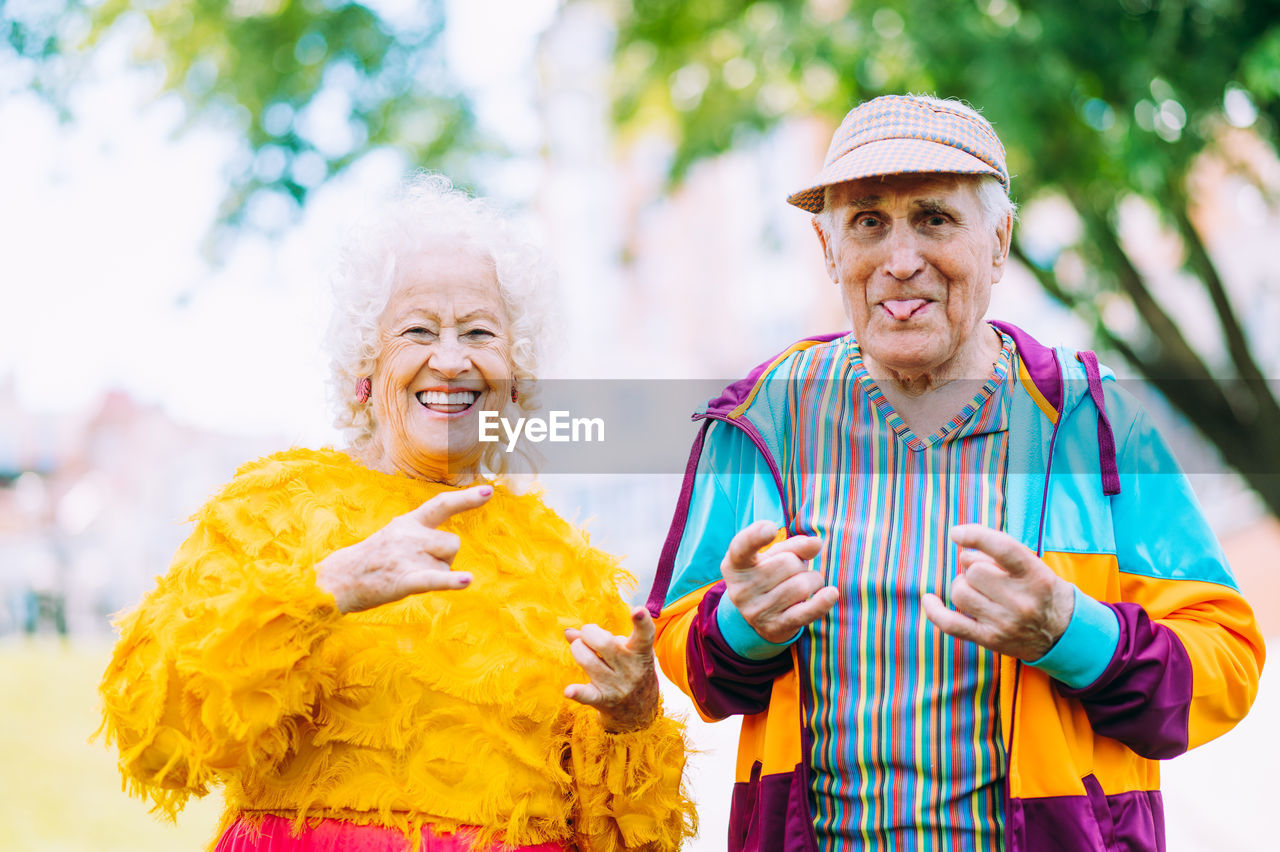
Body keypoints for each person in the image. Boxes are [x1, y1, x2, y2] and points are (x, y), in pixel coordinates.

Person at [646, 94, 1265, 851]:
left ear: (998, 242)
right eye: (868, 222)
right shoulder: (759, 422)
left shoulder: (1099, 422)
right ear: (829, 249)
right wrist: (742, 629)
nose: (901, 261)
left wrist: (1071, 633)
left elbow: (1226, 665)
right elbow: (680, 648)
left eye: (935, 217)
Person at [99, 174, 696, 852]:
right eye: (417, 331)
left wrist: (634, 714)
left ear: (517, 377)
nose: (449, 360)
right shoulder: (272, 512)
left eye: (478, 331)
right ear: (364, 367)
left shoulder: (569, 573)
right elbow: (156, 735)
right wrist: (325, 591)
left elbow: (634, 841)